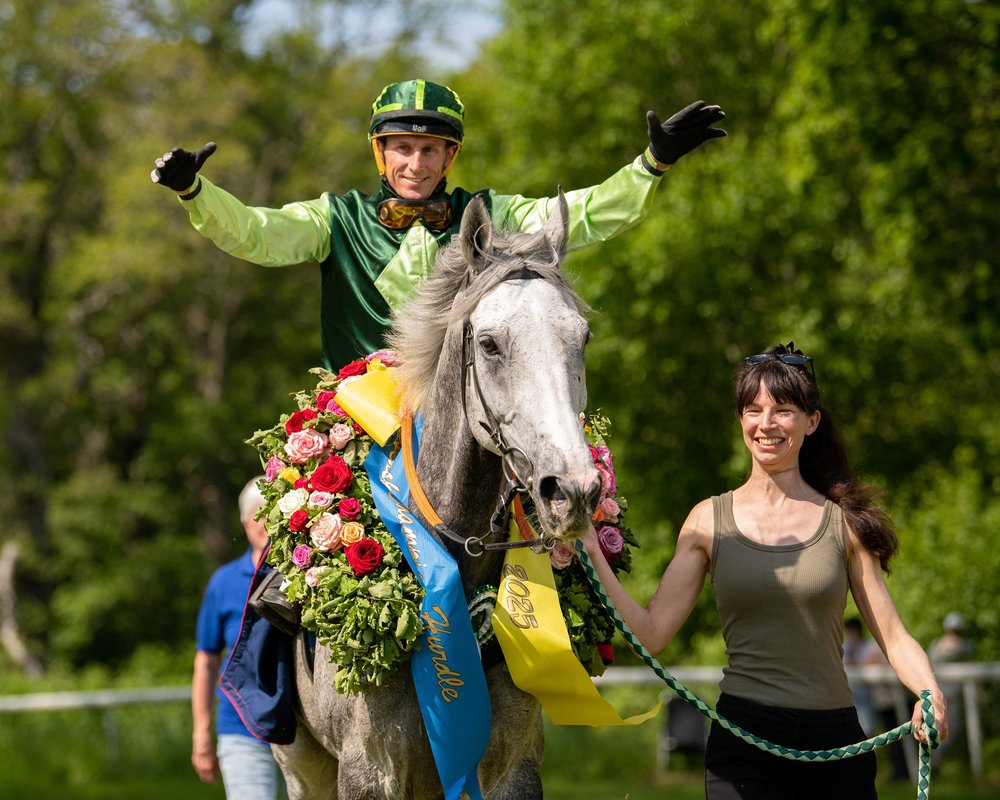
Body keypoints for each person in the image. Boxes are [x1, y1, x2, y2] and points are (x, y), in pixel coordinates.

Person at [151, 78, 727, 373]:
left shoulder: (490, 214)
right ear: (381, 153)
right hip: (361, 419)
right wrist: (193, 190)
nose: (415, 165)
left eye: (430, 150)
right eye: (402, 148)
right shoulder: (334, 218)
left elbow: (576, 216)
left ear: (449, 158)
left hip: (469, 409)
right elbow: (255, 232)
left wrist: (651, 166)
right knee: (291, 566)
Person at [583, 342, 948, 799]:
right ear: (740, 420)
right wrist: (589, 549)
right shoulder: (706, 521)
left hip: (835, 741)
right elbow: (651, 633)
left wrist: (930, 692)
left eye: (783, 410)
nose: (767, 424)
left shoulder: (844, 523)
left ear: (812, 421)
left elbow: (893, 637)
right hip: (743, 741)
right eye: (753, 410)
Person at [192, 476, 285, 799]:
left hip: (305, 729)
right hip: (241, 727)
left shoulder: (309, 575)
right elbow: (206, 661)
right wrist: (201, 733)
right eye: (261, 515)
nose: (268, 524)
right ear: (247, 525)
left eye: (275, 513)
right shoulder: (224, 582)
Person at [929, 611, 973, 765]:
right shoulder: (965, 646)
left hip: (938, 693)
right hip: (950, 695)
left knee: (940, 726)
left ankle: (935, 760)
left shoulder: (936, 644)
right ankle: (936, 761)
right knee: (950, 729)